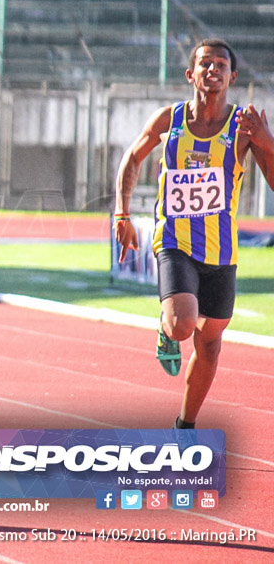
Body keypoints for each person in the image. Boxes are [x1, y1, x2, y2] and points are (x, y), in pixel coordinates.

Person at [114, 38, 274, 429]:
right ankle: (167, 328)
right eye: (205, 64)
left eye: (221, 65)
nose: (213, 70)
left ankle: (185, 425)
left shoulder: (243, 128)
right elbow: (132, 158)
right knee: (183, 324)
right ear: (191, 75)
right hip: (175, 241)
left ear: (232, 76)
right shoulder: (169, 120)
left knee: (210, 344)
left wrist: (268, 143)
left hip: (221, 253)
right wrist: (121, 212)